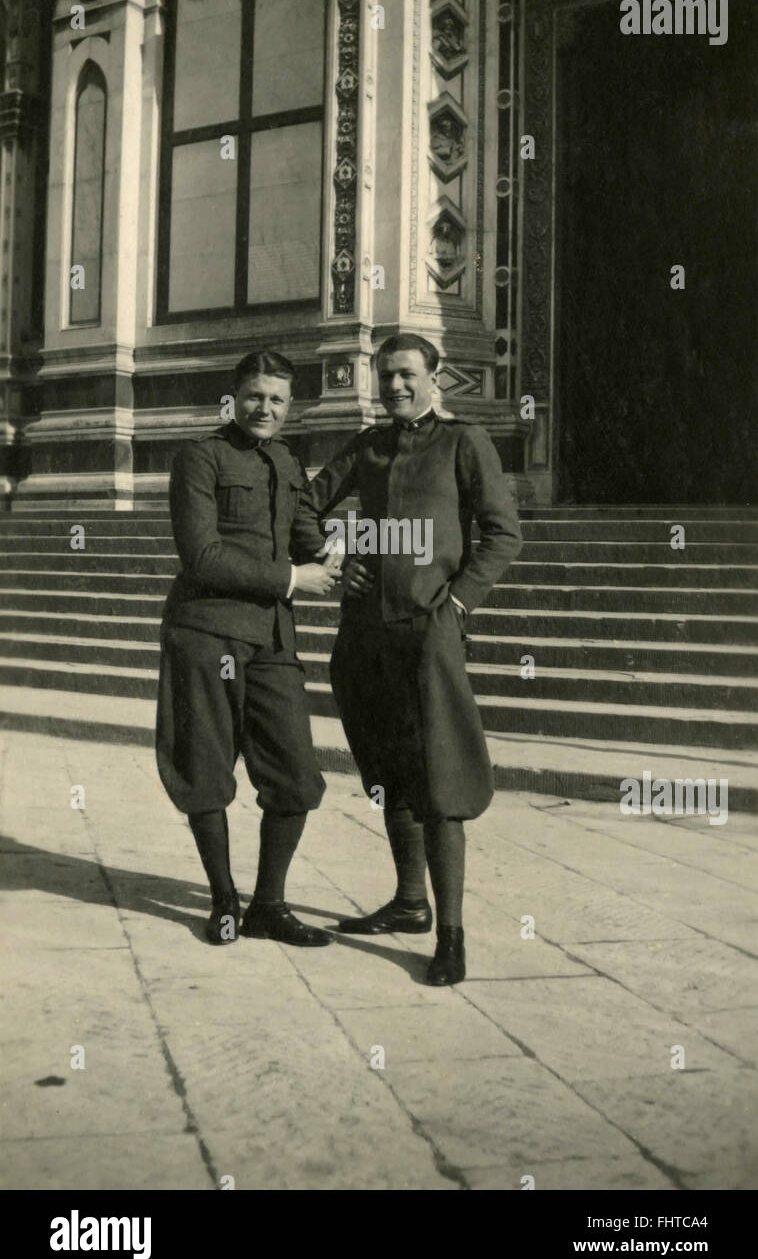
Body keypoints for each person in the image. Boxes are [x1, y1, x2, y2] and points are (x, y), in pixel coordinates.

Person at [308, 334, 522, 985]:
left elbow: (502, 531)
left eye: (406, 375)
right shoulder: (367, 446)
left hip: (431, 640)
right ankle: (408, 903)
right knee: (388, 773)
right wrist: (334, 560)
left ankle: (451, 936)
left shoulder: (464, 444)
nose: (395, 386)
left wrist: (457, 604)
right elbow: (305, 503)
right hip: (367, 639)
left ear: (436, 377)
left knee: (442, 785)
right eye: (385, 376)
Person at [156, 350, 340, 948]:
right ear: (233, 396)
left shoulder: (287, 461)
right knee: (206, 770)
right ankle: (223, 901)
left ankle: (269, 904)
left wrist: (342, 555)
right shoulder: (199, 458)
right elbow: (202, 555)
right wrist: (292, 579)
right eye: (256, 396)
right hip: (207, 632)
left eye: (278, 400)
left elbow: (307, 535)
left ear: (291, 407)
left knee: (296, 776)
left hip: (273, 641)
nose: (266, 408)